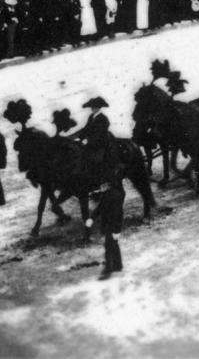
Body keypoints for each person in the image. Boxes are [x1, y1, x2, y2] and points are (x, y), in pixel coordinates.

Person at [85, 113, 125, 280]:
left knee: (110, 242)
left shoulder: (114, 194)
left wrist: (117, 229)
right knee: (111, 242)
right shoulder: (109, 193)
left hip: (112, 222)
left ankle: (109, 267)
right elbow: (100, 206)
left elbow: (116, 212)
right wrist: (92, 218)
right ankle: (117, 264)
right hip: (110, 221)